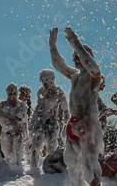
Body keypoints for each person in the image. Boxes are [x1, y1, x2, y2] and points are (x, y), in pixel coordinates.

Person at [49, 26, 103, 186]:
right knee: (72, 166)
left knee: (90, 166)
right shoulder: (75, 76)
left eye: (78, 57)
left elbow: (92, 66)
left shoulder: (94, 77)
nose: (75, 59)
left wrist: (75, 42)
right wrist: (52, 45)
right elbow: (58, 65)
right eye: (74, 57)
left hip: (88, 126)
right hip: (73, 124)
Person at [29, 69, 69, 168]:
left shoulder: (58, 92)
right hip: (40, 120)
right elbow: (39, 108)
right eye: (42, 82)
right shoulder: (40, 91)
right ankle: (33, 168)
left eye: (45, 82)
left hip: (52, 121)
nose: (44, 84)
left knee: (51, 146)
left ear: (51, 81)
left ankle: (51, 167)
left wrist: (66, 122)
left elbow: (65, 109)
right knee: (36, 144)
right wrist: (33, 123)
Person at [0, 82, 28, 167]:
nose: (12, 96)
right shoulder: (3, 104)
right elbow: (0, 117)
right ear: (7, 93)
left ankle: (18, 169)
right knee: (8, 152)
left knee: (18, 151)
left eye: (14, 93)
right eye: (10, 94)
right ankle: (10, 169)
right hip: (7, 132)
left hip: (19, 132)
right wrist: (7, 124)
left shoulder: (21, 104)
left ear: (17, 93)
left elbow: (25, 117)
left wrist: (21, 115)